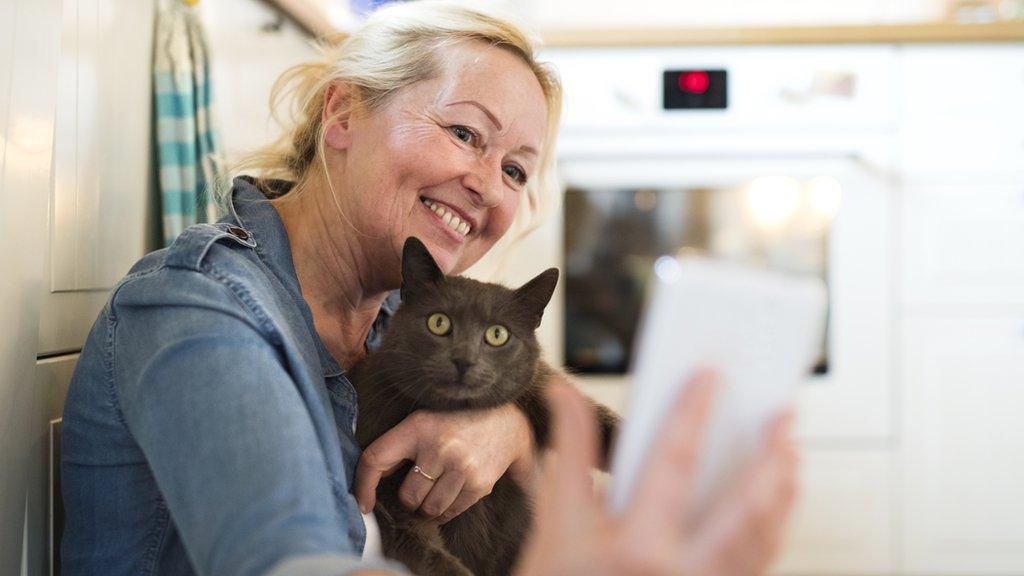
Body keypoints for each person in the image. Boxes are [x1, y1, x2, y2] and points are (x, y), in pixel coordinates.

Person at [59, 2, 798, 575]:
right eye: (466, 133)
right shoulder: (198, 310)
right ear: (343, 113)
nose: (486, 185)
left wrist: (503, 420)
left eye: (515, 170)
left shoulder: (393, 324)